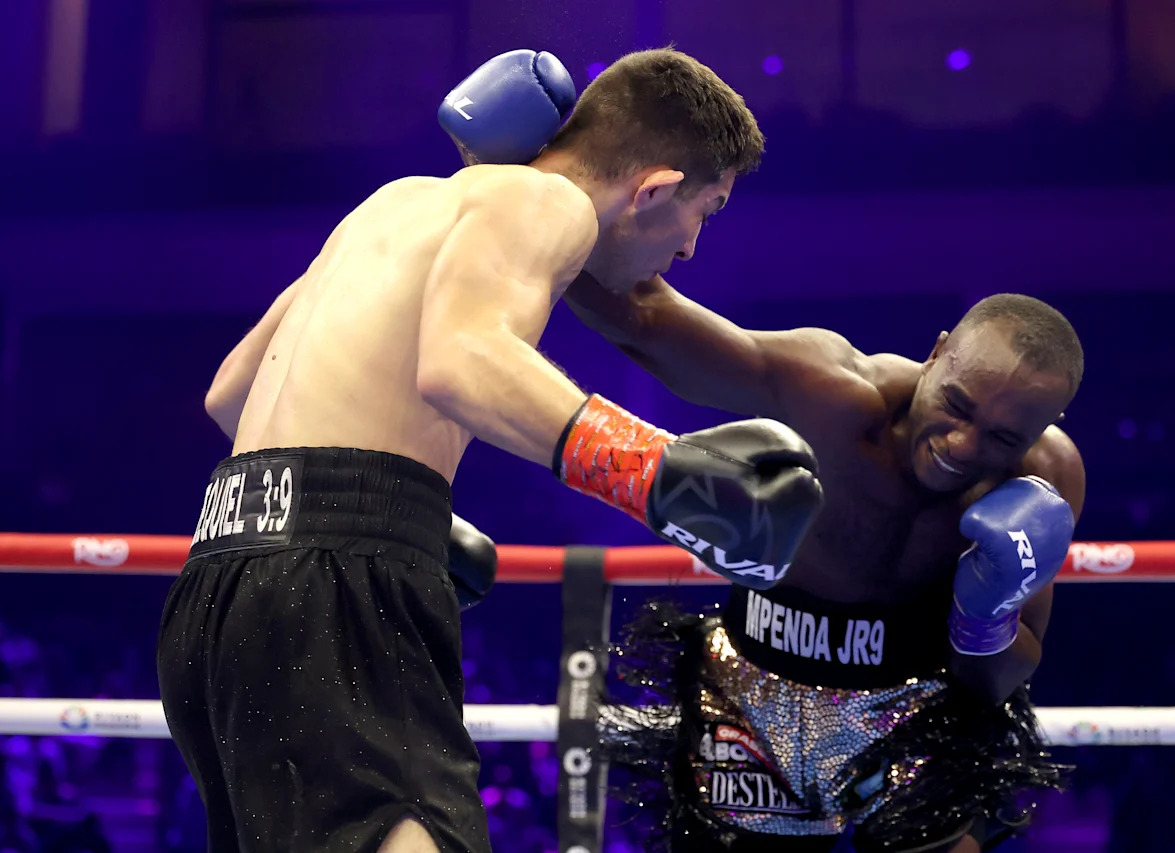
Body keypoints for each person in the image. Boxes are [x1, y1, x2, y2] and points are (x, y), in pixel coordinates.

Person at [156, 48, 824, 853]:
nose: (688, 251)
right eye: (706, 211)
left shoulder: (395, 203)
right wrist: (661, 473)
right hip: (332, 583)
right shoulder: (548, 201)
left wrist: (408, 515)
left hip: (219, 578)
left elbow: (231, 393)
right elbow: (460, 361)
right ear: (654, 188)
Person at [568, 280, 1085, 852]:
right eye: (956, 405)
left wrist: (985, 618)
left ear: (1044, 424)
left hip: (921, 715)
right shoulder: (831, 391)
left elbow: (997, 680)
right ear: (936, 354)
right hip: (750, 692)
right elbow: (645, 320)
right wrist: (567, 239)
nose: (963, 445)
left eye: (1004, 437)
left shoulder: (1045, 478)